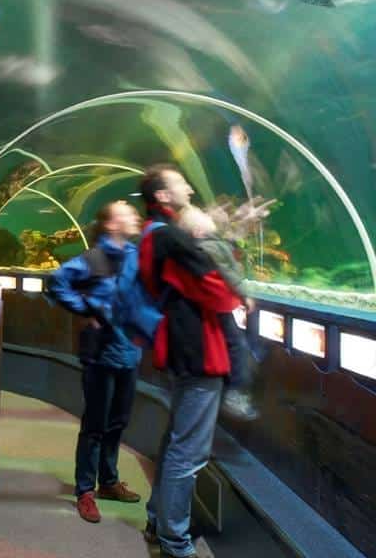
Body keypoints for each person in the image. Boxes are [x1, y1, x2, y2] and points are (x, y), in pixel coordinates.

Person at [138, 164, 243, 558]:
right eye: (179, 181)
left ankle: (158, 520)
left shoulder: (154, 236)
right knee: (189, 453)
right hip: (198, 351)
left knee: (175, 443)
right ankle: (175, 542)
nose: (187, 185)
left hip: (181, 350)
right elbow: (216, 290)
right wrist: (238, 295)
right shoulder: (169, 238)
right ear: (162, 196)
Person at [46, 201, 143, 524]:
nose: (134, 215)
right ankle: (85, 490)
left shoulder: (133, 256)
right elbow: (57, 281)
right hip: (101, 355)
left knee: (118, 422)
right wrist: (84, 310)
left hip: (129, 352)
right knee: (95, 426)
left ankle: (110, 481)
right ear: (112, 225)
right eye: (125, 212)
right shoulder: (93, 259)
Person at [176, 204, 259, 421]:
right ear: (198, 232)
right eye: (204, 215)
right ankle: (235, 391)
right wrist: (243, 294)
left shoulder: (210, 244)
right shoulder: (207, 249)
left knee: (238, 345)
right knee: (238, 345)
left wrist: (237, 231)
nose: (209, 214)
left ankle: (235, 387)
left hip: (215, 311)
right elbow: (227, 272)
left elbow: (225, 248)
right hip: (217, 310)